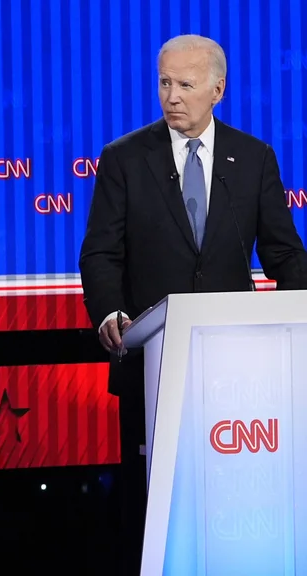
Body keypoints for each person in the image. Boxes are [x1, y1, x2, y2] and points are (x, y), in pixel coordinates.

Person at [79, 34, 307, 574]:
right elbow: (100, 253)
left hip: (241, 375)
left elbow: (283, 254)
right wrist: (111, 313)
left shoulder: (252, 159)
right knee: (149, 506)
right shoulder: (124, 159)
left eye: (185, 84)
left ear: (217, 90)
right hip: (151, 365)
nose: (171, 96)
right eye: (164, 83)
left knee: (233, 497)